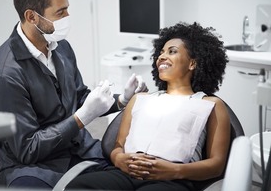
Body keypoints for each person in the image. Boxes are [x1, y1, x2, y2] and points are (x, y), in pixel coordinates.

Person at [0, 0, 148, 189]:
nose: (67, 16)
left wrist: (121, 100)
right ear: (32, 17)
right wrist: (80, 118)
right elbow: (28, 149)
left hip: (80, 150)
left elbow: (79, 97)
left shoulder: (61, 48)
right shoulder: (5, 74)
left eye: (67, 8)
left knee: (136, 182)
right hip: (35, 167)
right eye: (60, 12)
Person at [66, 22, 231, 191]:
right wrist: (118, 159)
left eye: (172, 51)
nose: (162, 57)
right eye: (161, 53)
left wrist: (174, 170)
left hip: (172, 180)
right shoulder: (140, 99)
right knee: (78, 186)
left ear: (192, 64)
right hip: (125, 174)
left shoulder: (210, 104)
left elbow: (216, 165)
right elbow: (118, 145)